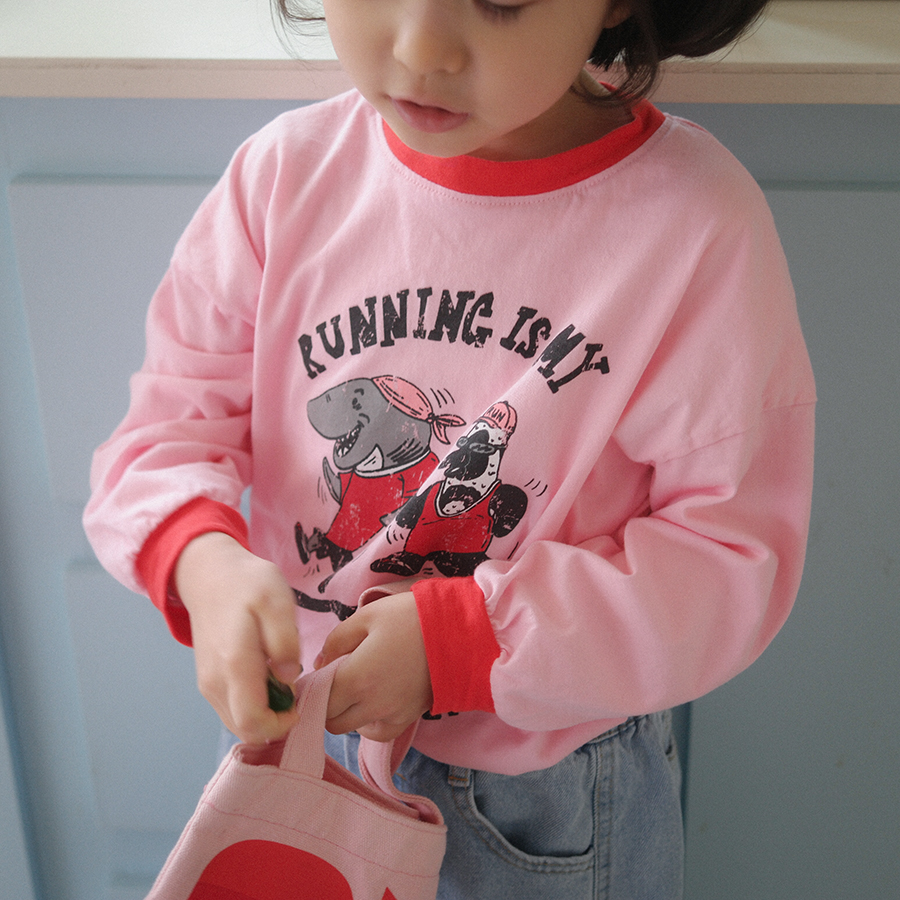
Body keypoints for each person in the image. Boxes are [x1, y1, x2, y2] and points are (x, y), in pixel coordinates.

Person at [83, 0, 816, 897]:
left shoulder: (695, 226)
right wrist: (202, 563)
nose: (421, 47)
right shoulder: (282, 179)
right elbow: (164, 432)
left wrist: (463, 642)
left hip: (542, 793)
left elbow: (730, 560)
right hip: (297, 742)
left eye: (500, 0)